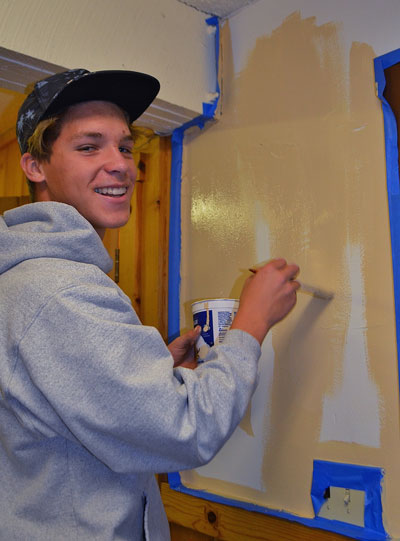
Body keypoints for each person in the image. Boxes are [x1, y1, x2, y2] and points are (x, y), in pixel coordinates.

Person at [0, 68, 300, 540]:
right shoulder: (60, 292)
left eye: (123, 146)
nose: (119, 163)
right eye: (88, 146)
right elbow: (186, 428)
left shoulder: (36, 280)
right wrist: (252, 322)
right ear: (35, 166)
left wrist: (151, 368)